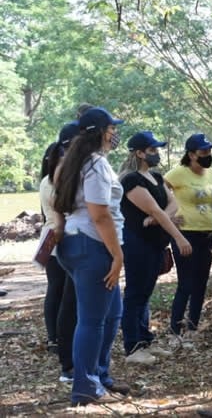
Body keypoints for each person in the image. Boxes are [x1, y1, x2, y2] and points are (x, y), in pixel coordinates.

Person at [53, 106, 131, 405]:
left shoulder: (76, 162)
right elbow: (100, 215)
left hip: (78, 243)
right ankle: (85, 386)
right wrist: (117, 255)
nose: (114, 133)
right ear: (100, 131)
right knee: (92, 320)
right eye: (111, 128)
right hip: (92, 245)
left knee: (112, 314)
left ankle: (99, 375)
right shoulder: (95, 164)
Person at [118, 131, 191, 365]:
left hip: (155, 242)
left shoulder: (156, 177)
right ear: (139, 153)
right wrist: (179, 237)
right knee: (135, 293)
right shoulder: (131, 181)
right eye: (152, 150)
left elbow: (172, 204)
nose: (156, 154)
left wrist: (158, 219)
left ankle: (146, 339)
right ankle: (133, 345)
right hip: (137, 242)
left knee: (146, 292)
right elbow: (155, 209)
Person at [164, 133, 212, 346]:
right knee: (186, 283)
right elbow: (160, 187)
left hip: (208, 232)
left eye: (209, 151)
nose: (208, 155)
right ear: (191, 154)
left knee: (200, 282)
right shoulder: (179, 173)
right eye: (203, 152)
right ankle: (174, 330)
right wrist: (168, 214)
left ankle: (192, 328)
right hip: (185, 233)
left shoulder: (211, 174)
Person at [39, 121, 80, 382]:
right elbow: (58, 215)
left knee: (65, 295)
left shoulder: (68, 173)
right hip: (56, 242)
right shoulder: (53, 178)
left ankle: (63, 343)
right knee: (59, 292)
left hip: (63, 240)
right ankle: (57, 341)